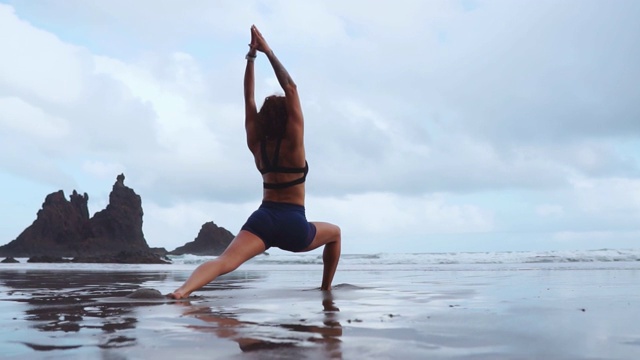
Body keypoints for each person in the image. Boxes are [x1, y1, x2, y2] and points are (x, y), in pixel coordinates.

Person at [170, 25, 341, 299]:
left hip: (263, 220)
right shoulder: (293, 145)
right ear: (287, 118)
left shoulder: (256, 144)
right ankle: (326, 289)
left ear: (263, 119)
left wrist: (251, 58)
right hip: (294, 226)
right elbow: (292, 88)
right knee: (335, 233)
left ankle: (182, 291)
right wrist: (268, 51)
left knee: (224, 262)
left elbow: (248, 99)